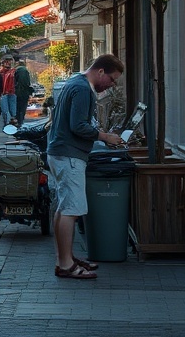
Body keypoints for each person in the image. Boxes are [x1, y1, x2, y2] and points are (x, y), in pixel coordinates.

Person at [47, 54, 125, 280]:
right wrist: (105, 137)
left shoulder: (74, 81)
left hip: (60, 152)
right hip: (69, 155)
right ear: (101, 71)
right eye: (112, 79)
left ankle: (65, 258)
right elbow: (78, 125)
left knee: (63, 209)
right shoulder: (83, 89)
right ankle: (66, 265)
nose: (111, 85)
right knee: (71, 210)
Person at [0, 55, 17, 124]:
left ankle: (12, 122)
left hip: (12, 92)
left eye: (9, 61)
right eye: (6, 61)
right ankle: (7, 123)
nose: (8, 63)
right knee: (5, 110)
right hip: (3, 93)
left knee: (13, 110)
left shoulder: (14, 71)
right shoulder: (0, 72)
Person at [14, 58, 33, 124]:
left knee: (17, 107)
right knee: (22, 107)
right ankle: (20, 121)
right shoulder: (24, 70)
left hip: (16, 91)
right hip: (23, 92)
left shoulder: (15, 70)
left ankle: (17, 120)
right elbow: (26, 83)